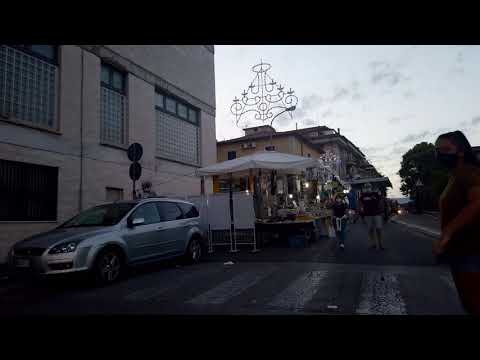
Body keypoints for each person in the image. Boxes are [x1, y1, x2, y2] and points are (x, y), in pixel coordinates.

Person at [433, 130, 480, 315]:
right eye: (437, 151)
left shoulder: (469, 173)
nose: (440, 155)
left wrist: (448, 233)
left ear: (461, 151)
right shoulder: (455, 175)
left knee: (474, 302)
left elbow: (477, 202)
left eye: (445, 149)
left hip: (473, 248)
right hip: (461, 249)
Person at [359, 183, 384, 250]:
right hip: (367, 215)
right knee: (370, 230)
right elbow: (361, 206)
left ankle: (380, 244)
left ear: (371, 187)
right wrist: (362, 215)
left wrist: (375, 198)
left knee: (378, 229)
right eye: (366, 187)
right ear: (364, 188)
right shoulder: (362, 196)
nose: (367, 188)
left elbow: (380, 202)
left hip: (377, 214)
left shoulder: (376, 194)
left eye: (369, 187)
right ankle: (373, 244)